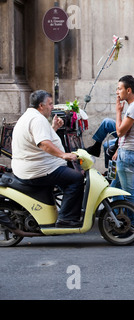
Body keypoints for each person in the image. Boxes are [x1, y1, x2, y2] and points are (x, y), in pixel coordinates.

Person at [11, 90, 84, 228]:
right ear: (41, 105)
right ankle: (67, 219)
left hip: (36, 167)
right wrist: (64, 155)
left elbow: (38, 139)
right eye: (50, 104)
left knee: (68, 178)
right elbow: (43, 143)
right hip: (38, 170)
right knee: (76, 178)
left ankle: (66, 212)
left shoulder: (30, 116)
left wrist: (53, 128)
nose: (52, 107)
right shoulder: (37, 119)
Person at [84, 77, 134, 159]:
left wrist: (118, 112)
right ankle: (109, 167)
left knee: (107, 122)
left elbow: (121, 132)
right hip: (132, 137)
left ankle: (96, 146)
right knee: (107, 145)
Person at [109, 75, 134, 206]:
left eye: (119, 89)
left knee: (129, 194)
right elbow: (128, 135)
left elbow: (120, 132)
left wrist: (118, 112)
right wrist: (119, 150)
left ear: (128, 90)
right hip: (128, 152)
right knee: (113, 190)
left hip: (129, 155)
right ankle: (118, 221)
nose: (117, 92)